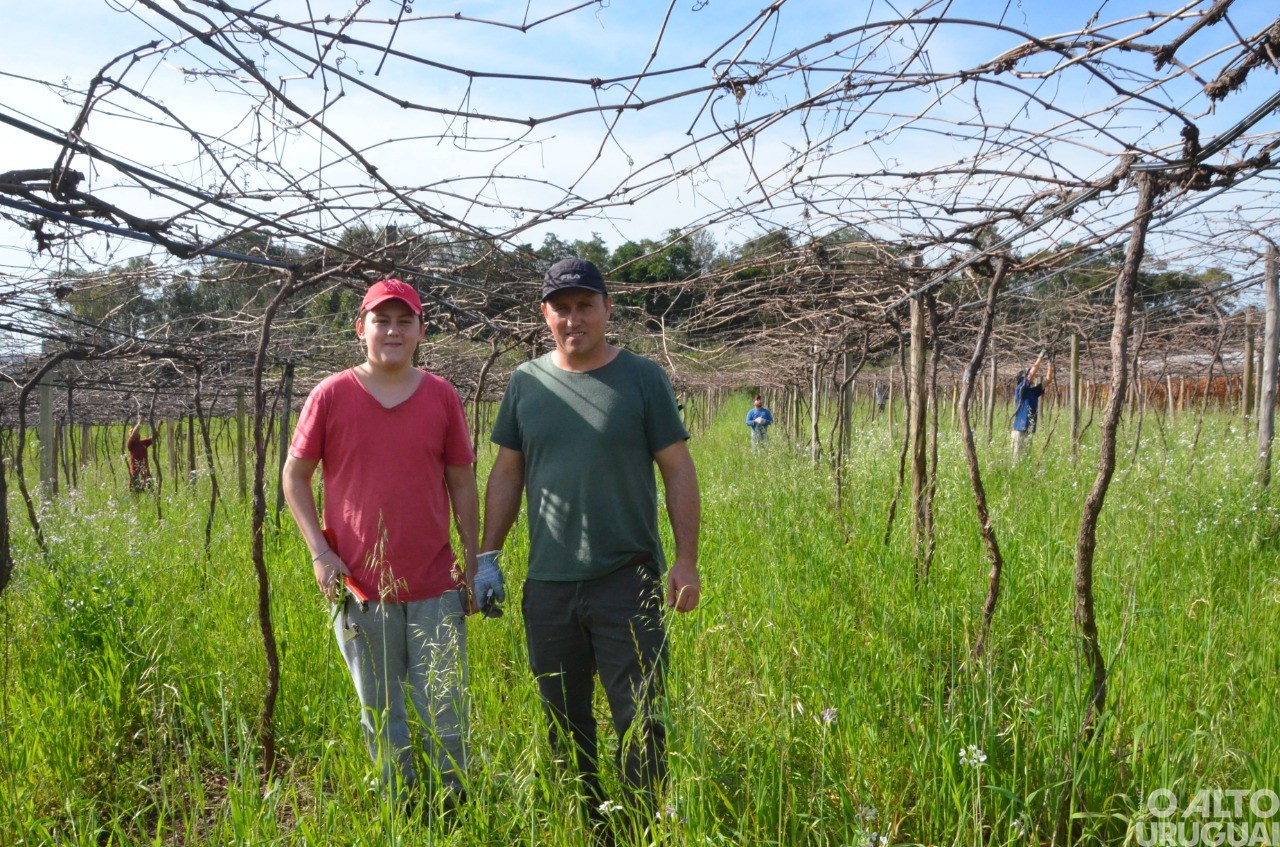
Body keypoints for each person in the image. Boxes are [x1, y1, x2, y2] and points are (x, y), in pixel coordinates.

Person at [481, 258, 701, 836]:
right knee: (563, 717)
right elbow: (507, 472)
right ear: (545, 315)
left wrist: (685, 561)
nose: (573, 318)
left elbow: (678, 470)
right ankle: (589, 822)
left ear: (607, 310)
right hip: (549, 585)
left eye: (585, 305)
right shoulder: (525, 382)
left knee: (642, 716)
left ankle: (639, 827)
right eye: (562, 307)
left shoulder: (642, 378)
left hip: (627, 579)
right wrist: (488, 556)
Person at [282, 278, 480, 807]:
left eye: (404, 321)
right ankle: (400, 804)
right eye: (381, 320)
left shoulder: (442, 396)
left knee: (445, 705)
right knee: (379, 706)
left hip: (436, 581)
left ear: (420, 330)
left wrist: (474, 563)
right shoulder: (331, 395)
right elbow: (294, 476)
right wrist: (320, 553)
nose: (393, 330)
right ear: (361, 329)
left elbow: (462, 482)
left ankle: (454, 802)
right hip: (362, 587)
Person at [1012, 351, 1053, 461]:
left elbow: (1048, 380)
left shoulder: (1033, 392)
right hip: (1019, 428)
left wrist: (1050, 363)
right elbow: (1031, 375)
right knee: (1016, 459)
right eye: (1027, 377)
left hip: (1029, 429)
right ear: (1022, 379)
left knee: (1026, 457)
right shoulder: (1020, 390)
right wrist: (1041, 356)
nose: (1032, 378)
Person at [126, 415, 155, 492]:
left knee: (149, 491)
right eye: (135, 433)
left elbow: (155, 437)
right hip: (135, 472)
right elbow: (133, 435)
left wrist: (157, 427)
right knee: (136, 492)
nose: (137, 434)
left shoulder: (143, 442)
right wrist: (139, 423)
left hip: (145, 471)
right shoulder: (131, 444)